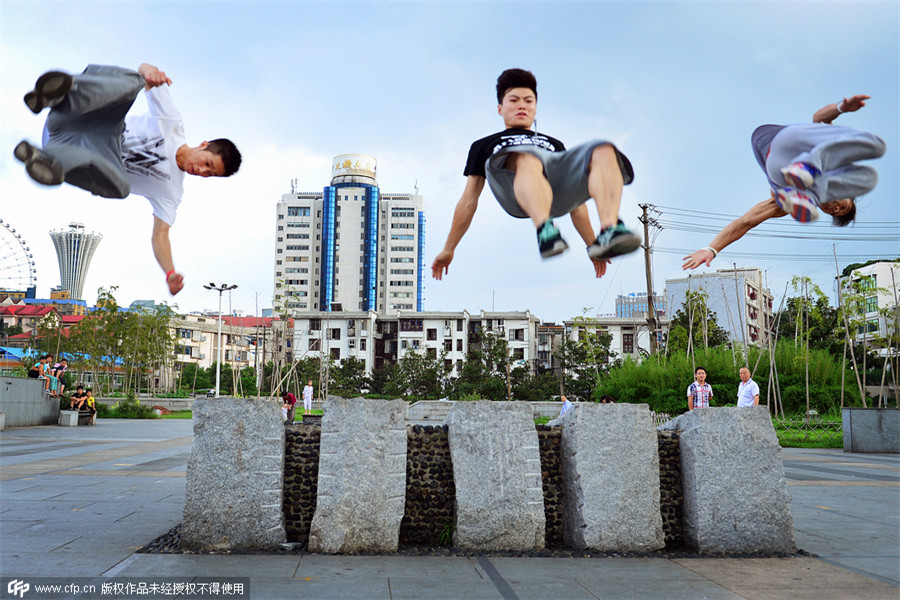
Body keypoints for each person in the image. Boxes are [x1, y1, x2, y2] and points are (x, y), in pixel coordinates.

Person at [14, 63, 242, 295]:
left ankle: (45, 162)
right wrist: (150, 72)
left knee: (121, 188)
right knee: (136, 81)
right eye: (207, 163)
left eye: (210, 174)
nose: (201, 171)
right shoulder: (172, 122)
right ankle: (60, 93)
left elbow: (160, 236)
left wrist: (170, 273)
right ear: (204, 145)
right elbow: (145, 69)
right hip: (76, 115)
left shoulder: (171, 192)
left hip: (68, 151)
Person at [432, 68, 640, 281]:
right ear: (500, 108)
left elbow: (576, 205)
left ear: (535, 108)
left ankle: (609, 229)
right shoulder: (483, 145)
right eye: (514, 100)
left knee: (603, 149)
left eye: (528, 101)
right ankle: (545, 229)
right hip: (514, 193)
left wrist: (591, 245)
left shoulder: (554, 144)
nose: (522, 105)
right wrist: (449, 248)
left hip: (553, 192)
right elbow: (469, 200)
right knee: (527, 156)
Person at [683, 95, 886, 270]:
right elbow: (819, 119)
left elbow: (745, 223)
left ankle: (802, 173)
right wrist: (841, 107)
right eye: (843, 206)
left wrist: (711, 249)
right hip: (786, 138)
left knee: (781, 197)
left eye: (834, 212)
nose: (835, 208)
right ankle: (807, 168)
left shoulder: (785, 205)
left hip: (773, 157)